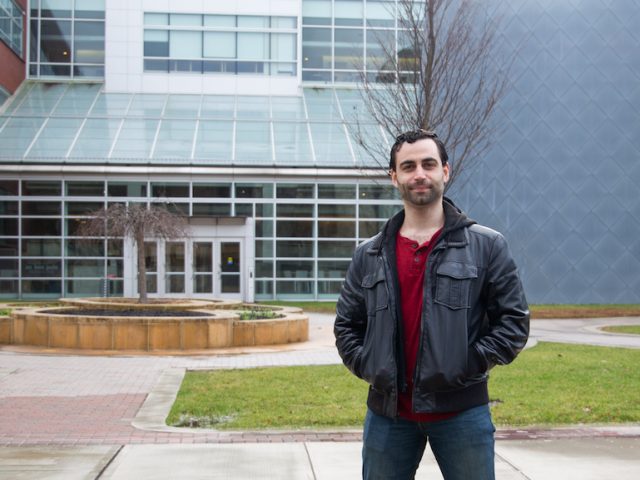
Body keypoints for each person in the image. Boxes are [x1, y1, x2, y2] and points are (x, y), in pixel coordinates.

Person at [334, 129, 530, 480]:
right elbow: (347, 326)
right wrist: (369, 366)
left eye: (428, 164)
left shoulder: (487, 246)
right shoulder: (370, 254)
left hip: (462, 413)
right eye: (408, 166)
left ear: (446, 171)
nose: (419, 173)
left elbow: (514, 323)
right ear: (394, 177)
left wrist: (469, 363)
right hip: (387, 416)